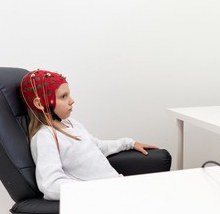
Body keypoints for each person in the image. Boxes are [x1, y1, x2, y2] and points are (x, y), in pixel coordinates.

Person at [20, 69, 158, 200]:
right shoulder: (45, 137)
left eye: (69, 94)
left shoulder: (71, 123)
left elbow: (97, 146)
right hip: (101, 197)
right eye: (63, 96)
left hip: (116, 187)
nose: (71, 100)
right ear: (40, 103)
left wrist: (129, 143)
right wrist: (94, 190)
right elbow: (50, 185)